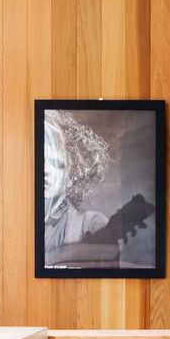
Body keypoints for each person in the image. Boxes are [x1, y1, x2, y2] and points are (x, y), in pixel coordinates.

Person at [43, 112, 117, 269]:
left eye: (57, 164)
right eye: (41, 159)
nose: (46, 170)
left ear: (72, 175)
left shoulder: (92, 226)